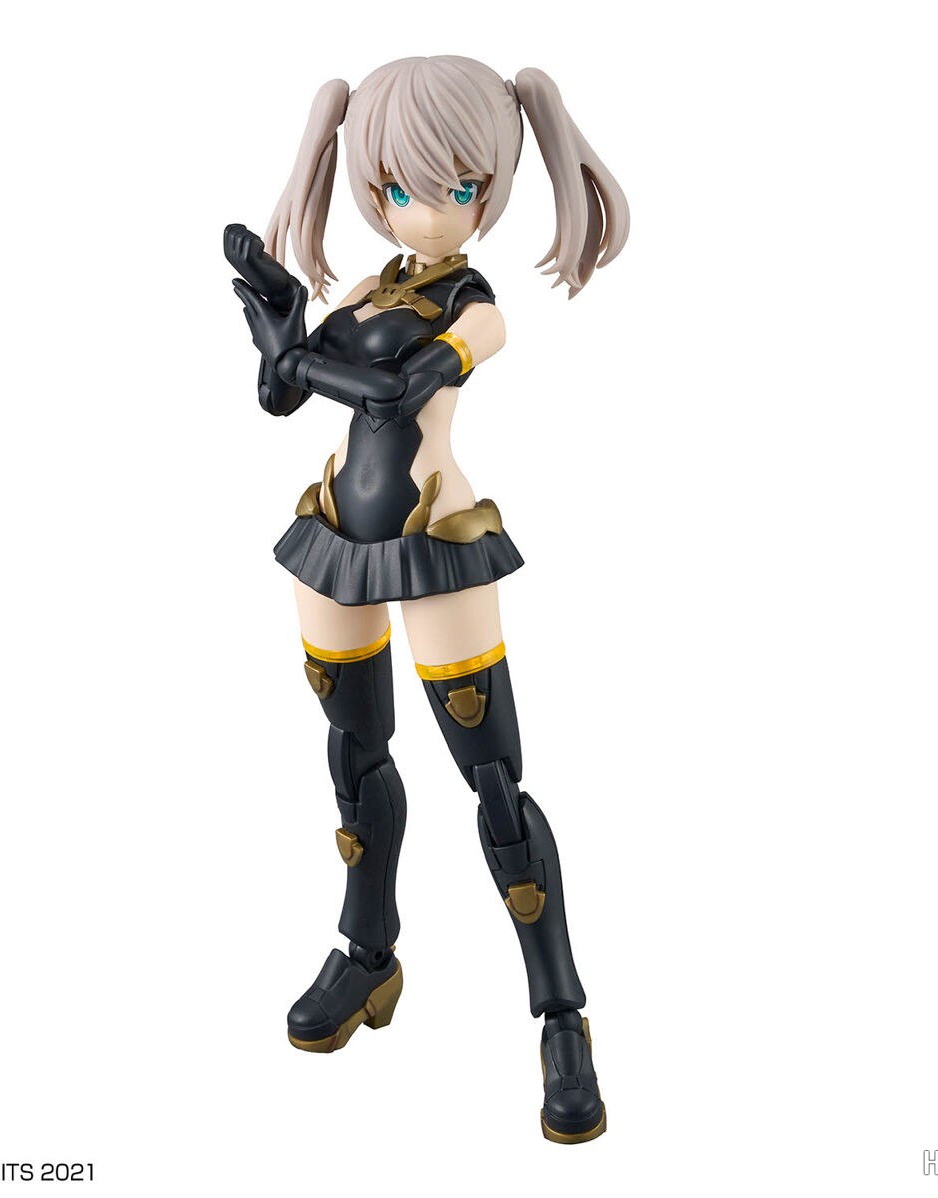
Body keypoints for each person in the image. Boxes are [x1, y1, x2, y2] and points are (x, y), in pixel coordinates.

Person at [225, 55, 628, 1143]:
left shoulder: (476, 307)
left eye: (453, 186)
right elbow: (277, 398)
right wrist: (276, 332)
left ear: (490, 189)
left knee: (493, 781)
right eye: (397, 186)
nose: (425, 208)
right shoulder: (361, 291)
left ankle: (561, 1015)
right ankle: (367, 952)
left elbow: (397, 390)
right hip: (334, 538)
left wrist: (300, 355)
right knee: (354, 756)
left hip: (435, 536)